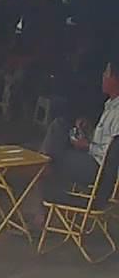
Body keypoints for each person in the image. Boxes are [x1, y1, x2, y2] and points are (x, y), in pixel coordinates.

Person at [39, 51, 119, 201]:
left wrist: (87, 146)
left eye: (106, 73)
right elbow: (106, 140)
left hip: (100, 169)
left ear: (115, 79)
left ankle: (45, 190)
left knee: (53, 160)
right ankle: (42, 168)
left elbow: (113, 155)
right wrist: (89, 130)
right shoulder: (111, 104)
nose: (103, 76)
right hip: (93, 159)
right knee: (59, 126)